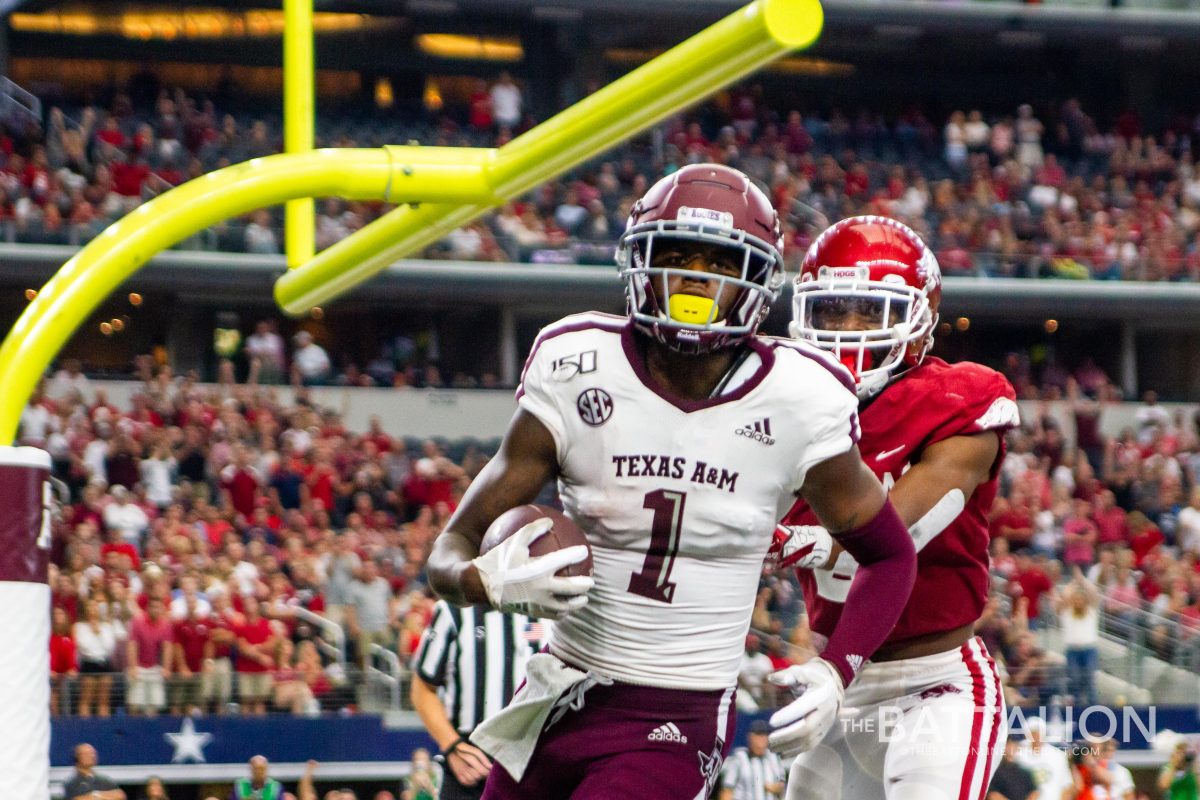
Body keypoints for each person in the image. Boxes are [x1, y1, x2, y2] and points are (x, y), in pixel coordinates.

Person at [425, 164, 917, 799]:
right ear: (640, 261)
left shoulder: (800, 397)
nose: (695, 277)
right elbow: (448, 550)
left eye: (718, 261)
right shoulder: (576, 365)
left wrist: (834, 672)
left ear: (757, 281)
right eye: (677, 255)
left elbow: (891, 554)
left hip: (674, 717)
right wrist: (484, 580)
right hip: (555, 697)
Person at [775, 216, 1019, 800]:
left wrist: (790, 539)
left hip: (936, 682)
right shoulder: (783, 404)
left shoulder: (961, 398)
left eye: (869, 311)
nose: (848, 330)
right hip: (839, 683)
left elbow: (889, 529)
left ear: (919, 317)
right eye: (833, 312)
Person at [410, 599, 538, 800]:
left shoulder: (545, 611)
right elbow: (422, 688)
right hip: (469, 769)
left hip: (532, 766)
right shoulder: (453, 611)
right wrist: (452, 746)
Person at [719, 720, 787, 800]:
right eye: (757, 737)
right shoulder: (739, 759)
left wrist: (773, 788)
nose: (760, 742)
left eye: (763, 737)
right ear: (750, 738)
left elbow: (782, 784)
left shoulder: (773, 758)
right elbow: (727, 790)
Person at [1014, 718, 1072, 800]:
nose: (1036, 736)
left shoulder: (1058, 755)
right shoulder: (1018, 756)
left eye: (1039, 732)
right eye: (1033, 732)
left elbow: (1067, 786)